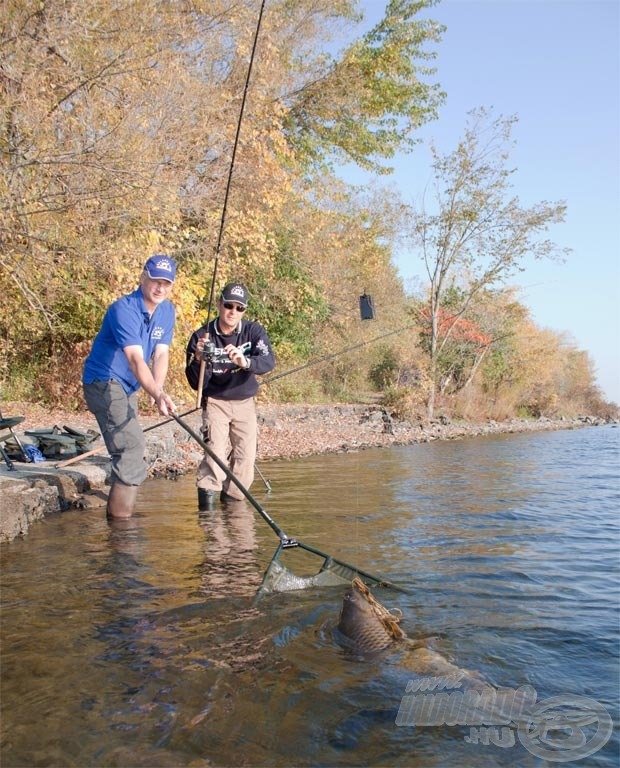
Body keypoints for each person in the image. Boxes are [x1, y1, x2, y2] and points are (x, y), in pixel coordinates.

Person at [82, 255, 177, 518]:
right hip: (103, 381)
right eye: (155, 280)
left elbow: (160, 354)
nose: (160, 288)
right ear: (142, 277)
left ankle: (123, 515)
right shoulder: (122, 309)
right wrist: (156, 393)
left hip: (128, 387)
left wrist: (158, 391)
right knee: (131, 448)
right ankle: (122, 530)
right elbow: (136, 360)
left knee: (132, 444)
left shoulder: (167, 311)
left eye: (166, 283)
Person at [185, 282, 275, 510]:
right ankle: (208, 520)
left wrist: (245, 362)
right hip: (215, 402)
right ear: (219, 304)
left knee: (245, 462)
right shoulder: (200, 336)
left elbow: (267, 362)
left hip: (245, 403)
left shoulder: (253, 331)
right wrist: (199, 358)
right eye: (228, 305)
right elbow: (196, 383)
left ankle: (234, 513)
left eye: (239, 308)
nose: (233, 312)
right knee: (215, 456)